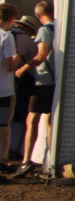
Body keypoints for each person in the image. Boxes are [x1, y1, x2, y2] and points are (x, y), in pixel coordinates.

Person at [13, 1, 55, 178]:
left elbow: (41, 55)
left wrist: (23, 69)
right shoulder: (61, 27)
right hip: (55, 79)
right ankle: (51, 158)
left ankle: (26, 160)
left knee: (32, 119)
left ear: (38, 16)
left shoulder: (45, 30)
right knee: (49, 120)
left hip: (43, 80)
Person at [9, 14, 39, 162]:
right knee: (19, 113)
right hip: (21, 80)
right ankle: (13, 148)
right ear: (29, 29)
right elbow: (35, 61)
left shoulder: (5, 35)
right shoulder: (27, 41)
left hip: (4, 78)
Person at [0, 4, 17, 176]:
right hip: (3, 90)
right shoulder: (6, 37)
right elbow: (10, 65)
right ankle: (2, 162)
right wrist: (17, 58)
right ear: (11, 20)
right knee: (3, 127)